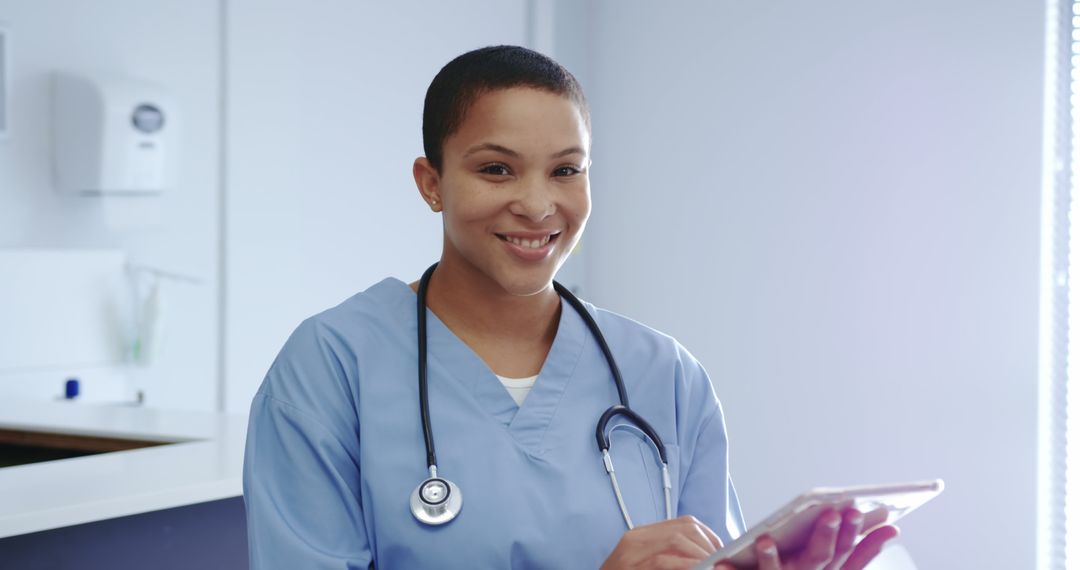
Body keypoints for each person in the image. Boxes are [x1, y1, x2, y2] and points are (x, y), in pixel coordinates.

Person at [243, 45, 898, 569]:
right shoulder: (330, 369)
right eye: (497, 169)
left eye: (566, 170)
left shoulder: (665, 374)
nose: (537, 204)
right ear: (431, 182)